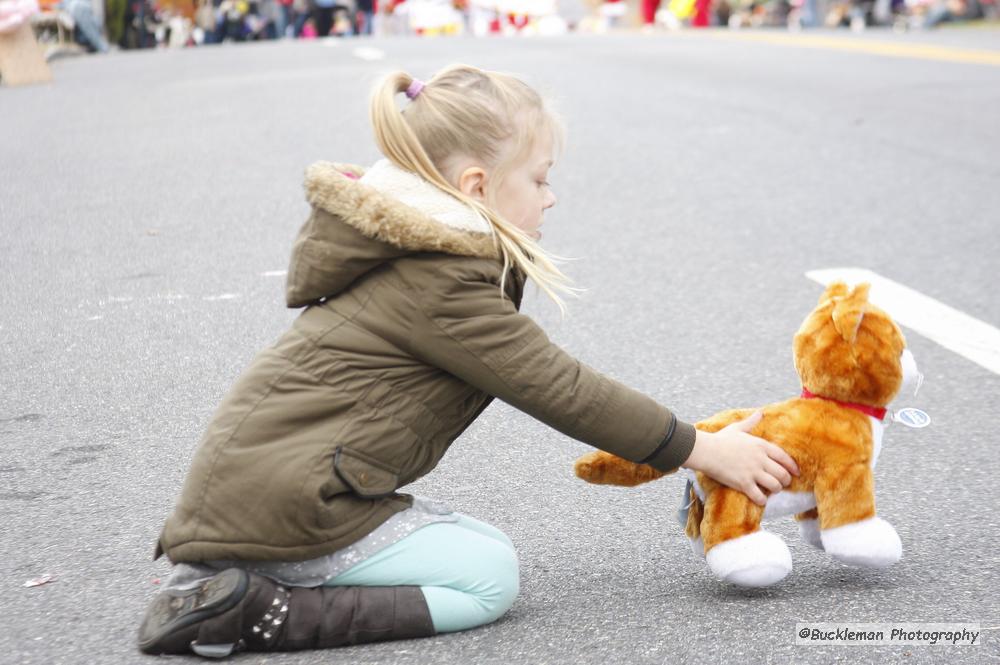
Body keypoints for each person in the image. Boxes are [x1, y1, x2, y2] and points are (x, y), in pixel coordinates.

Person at [137, 64, 799, 658]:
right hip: (288, 506)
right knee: (489, 574)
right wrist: (702, 450)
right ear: (476, 186)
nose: (550, 196)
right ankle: (256, 608)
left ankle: (224, 579)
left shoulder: (425, 257)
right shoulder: (440, 281)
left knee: (468, 536)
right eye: (540, 179)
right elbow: (559, 387)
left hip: (269, 492)